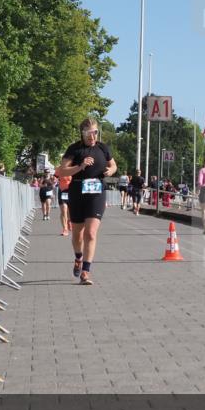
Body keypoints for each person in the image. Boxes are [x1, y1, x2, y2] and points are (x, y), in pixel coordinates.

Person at [55, 117, 117, 285]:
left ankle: (86, 271)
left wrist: (110, 171)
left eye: (95, 132)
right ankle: (78, 257)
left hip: (96, 193)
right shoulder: (74, 149)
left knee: (91, 232)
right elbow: (61, 171)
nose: (92, 137)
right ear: (82, 133)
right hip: (77, 193)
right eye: (89, 133)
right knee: (77, 234)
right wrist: (80, 166)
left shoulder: (103, 148)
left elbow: (114, 166)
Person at [55, 171, 72, 236]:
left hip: (71, 191)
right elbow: (54, 177)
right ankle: (65, 229)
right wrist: (54, 179)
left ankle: (69, 221)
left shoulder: (74, 168)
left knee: (70, 210)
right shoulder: (60, 169)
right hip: (62, 191)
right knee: (64, 210)